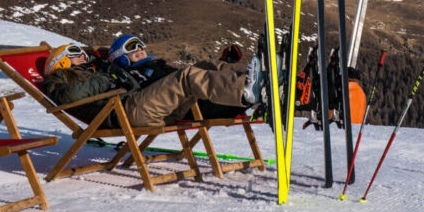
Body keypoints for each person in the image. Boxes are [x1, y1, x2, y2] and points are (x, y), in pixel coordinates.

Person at [42, 36, 264, 128]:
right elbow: (68, 97)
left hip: (141, 104)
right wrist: (107, 77)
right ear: (59, 62)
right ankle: (247, 92)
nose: (82, 54)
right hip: (126, 111)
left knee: (206, 67)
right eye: (74, 52)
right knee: (186, 77)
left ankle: (267, 80)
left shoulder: (95, 69)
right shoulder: (58, 79)